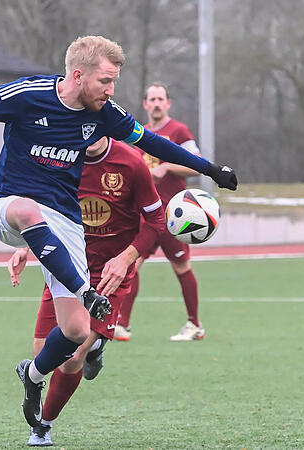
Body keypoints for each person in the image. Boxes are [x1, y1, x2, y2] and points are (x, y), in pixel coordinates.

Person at [0, 36, 238, 430]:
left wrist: (210, 169)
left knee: (76, 331)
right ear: (78, 75)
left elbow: (153, 143)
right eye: (105, 81)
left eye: (114, 82)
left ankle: (31, 374)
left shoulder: (105, 114)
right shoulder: (27, 95)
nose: (111, 90)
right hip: (11, 206)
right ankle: (86, 292)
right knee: (30, 211)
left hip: (65, 224)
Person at [8, 135, 165, 446]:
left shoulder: (131, 162)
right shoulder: (58, 159)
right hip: (66, 266)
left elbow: (156, 220)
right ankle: (91, 349)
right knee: (44, 354)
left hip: (111, 274)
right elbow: (45, 211)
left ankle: (43, 426)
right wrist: (26, 247)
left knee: (71, 356)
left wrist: (127, 258)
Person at [115, 83, 206, 342]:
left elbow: (196, 165)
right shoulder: (137, 134)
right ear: (145, 104)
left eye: (160, 99)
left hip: (173, 214)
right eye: (151, 99)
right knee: (131, 264)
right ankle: (122, 324)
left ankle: (194, 324)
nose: (156, 103)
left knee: (180, 265)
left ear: (168, 103)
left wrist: (167, 167)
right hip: (144, 214)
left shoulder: (178, 131)